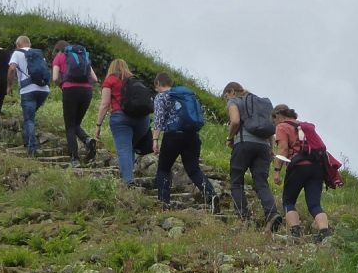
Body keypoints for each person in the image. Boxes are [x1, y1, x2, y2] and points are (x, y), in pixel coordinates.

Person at [151, 73, 217, 209]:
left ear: (158, 84)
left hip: (173, 136)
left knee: (163, 168)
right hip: (192, 136)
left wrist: (155, 140)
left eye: (155, 87)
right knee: (193, 170)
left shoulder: (161, 97)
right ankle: (211, 195)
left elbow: (158, 120)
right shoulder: (185, 95)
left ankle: (164, 203)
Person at [221, 82, 281, 227]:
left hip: (243, 144)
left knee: (236, 181)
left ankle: (243, 217)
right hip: (264, 147)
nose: (226, 99)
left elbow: (235, 121)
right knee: (261, 182)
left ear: (231, 92)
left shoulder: (234, 101)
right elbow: (268, 130)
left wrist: (230, 138)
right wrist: (270, 149)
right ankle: (272, 214)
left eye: (226, 96)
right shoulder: (259, 103)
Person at [273, 105, 332, 241]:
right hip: (317, 167)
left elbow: (283, 149)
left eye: (274, 120)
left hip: (298, 167)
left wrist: (277, 171)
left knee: (288, 201)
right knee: (314, 204)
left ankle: (295, 233)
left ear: (278, 115)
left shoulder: (282, 126)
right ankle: (325, 233)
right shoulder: (305, 127)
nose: (274, 124)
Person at [95, 59, 150, 184]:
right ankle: (130, 172)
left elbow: (104, 104)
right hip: (142, 120)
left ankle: (128, 182)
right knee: (130, 146)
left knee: (124, 148)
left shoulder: (110, 80)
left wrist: (98, 125)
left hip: (121, 119)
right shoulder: (135, 80)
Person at [52, 40, 99, 163]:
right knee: (76, 123)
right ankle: (87, 140)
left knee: (69, 126)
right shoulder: (82, 56)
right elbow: (94, 79)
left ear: (58, 50)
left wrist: (62, 85)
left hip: (70, 90)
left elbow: (55, 78)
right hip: (87, 92)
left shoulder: (59, 57)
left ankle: (75, 158)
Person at [8, 35, 49, 156]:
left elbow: (11, 69)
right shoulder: (38, 54)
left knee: (29, 119)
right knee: (30, 116)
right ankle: (28, 140)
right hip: (44, 90)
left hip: (28, 90)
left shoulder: (17, 53)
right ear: (29, 44)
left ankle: (32, 148)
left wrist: (9, 85)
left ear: (18, 45)